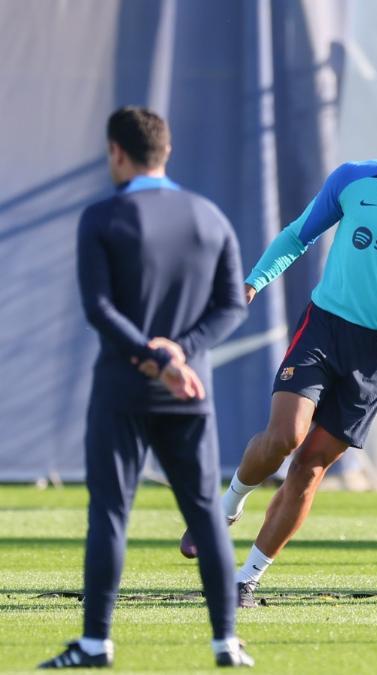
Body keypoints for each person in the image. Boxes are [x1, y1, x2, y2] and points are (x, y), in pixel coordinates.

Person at [179, 99, 377, 608]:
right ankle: (224, 507)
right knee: (286, 437)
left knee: (312, 465)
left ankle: (247, 579)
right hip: (324, 327)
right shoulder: (353, 179)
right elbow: (298, 235)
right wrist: (254, 283)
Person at [40, 107, 252, 668]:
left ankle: (95, 644)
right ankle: (226, 642)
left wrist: (153, 357)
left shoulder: (103, 218)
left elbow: (99, 308)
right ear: (168, 150)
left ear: (116, 152)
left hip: (124, 389)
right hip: (191, 392)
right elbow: (232, 304)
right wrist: (183, 350)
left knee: (110, 512)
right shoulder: (209, 217)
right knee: (206, 511)